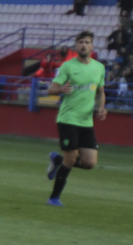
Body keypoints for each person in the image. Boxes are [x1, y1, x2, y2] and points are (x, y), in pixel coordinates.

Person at [45, 31, 106, 207]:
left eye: (87, 42)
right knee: (71, 160)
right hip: (68, 118)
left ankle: (57, 160)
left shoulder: (99, 67)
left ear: (92, 46)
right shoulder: (68, 67)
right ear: (76, 46)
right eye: (80, 42)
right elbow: (51, 89)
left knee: (89, 163)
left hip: (86, 121)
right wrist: (61, 90)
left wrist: (102, 107)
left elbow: (101, 92)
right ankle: (54, 197)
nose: (83, 45)